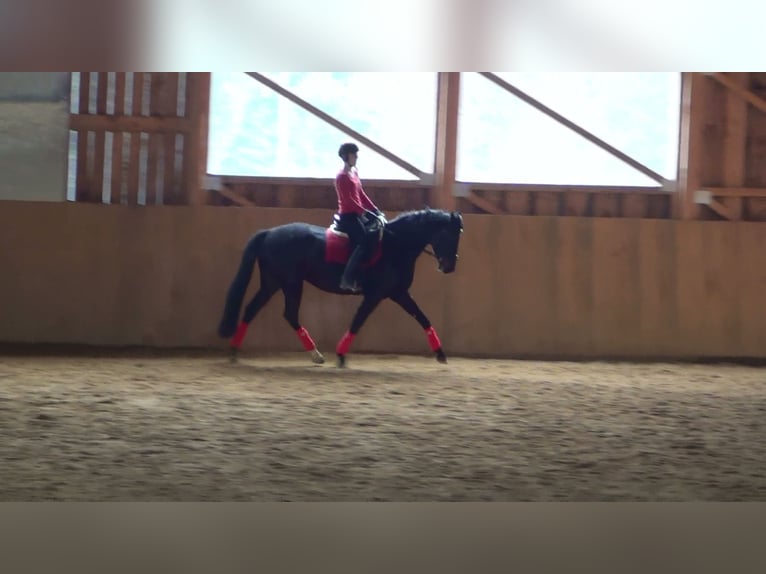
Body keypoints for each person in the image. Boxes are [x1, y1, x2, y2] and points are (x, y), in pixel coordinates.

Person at [334, 142, 386, 292]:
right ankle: (347, 278)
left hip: (358, 213)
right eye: (353, 154)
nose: (356, 157)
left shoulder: (354, 172)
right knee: (363, 242)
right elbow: (350, 201)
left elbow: (361, 194)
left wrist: (375, 210)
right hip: (348, 216)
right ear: (346, 156)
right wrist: (366, 213)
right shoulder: (341, 177)